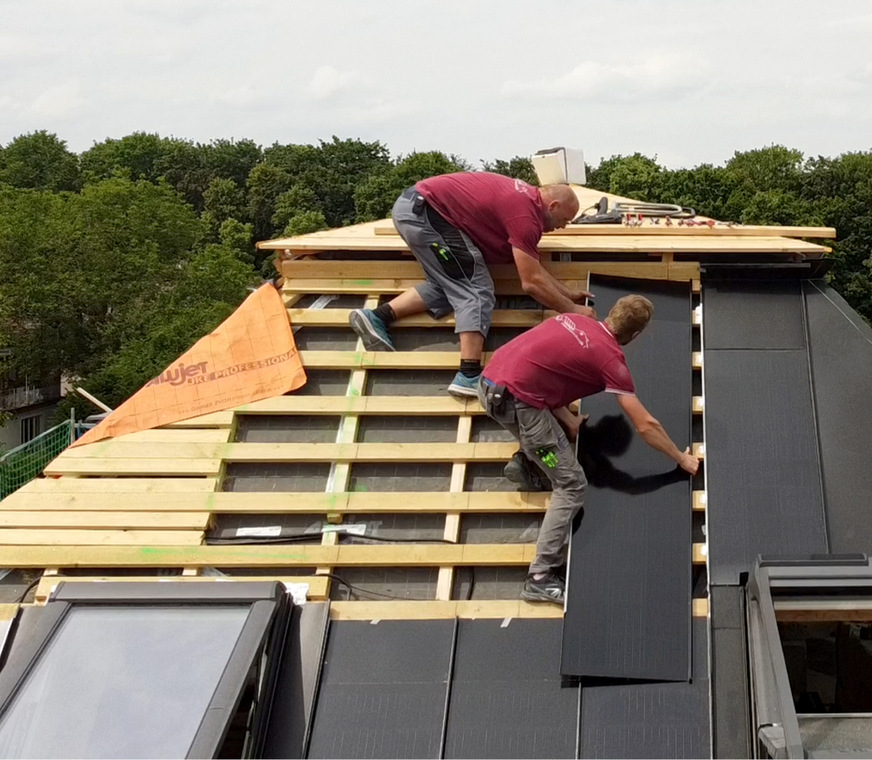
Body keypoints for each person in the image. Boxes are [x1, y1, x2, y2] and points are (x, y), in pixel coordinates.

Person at [477, 295, 700, 604]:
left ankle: (533, 462)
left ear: (612, 312)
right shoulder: (611, 361)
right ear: (635, 334)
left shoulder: (576, 320)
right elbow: (645, 425)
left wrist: (569, 420)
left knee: (552, 439)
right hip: (516, 406)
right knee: (572, 485)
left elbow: (545, 369)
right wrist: (680, 457)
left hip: (489, 381)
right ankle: (540, 576)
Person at [348, 172, 594, 397]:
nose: (563, 226)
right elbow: (531, 282)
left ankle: (376, 317)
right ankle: (468, 374)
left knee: (452, 285)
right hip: (427, 213)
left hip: (417, 209)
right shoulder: (525, 216)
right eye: (565, 219)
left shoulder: (526, 203)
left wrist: (567, 294)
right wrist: (573, 311)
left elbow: (534, 268)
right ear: (553, 206)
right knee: (476, 290)